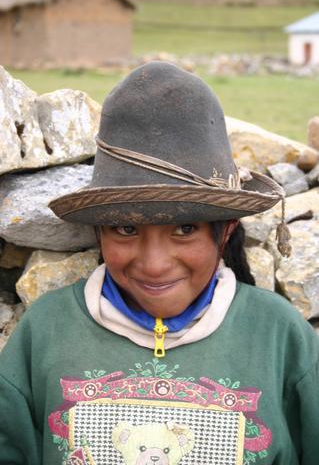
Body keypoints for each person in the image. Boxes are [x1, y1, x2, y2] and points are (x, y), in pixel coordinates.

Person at [0, 61, 318, 465]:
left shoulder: (278, 335)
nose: (153, 265)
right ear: (98, 232)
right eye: (125, 230)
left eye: (185, 229)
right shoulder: (46, 332)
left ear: (225, 232)